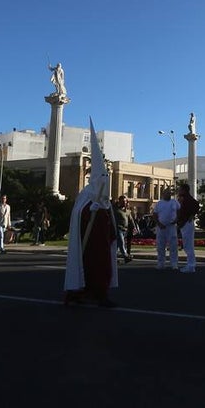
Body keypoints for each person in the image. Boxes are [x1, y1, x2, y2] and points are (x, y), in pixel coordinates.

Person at [65, 121, 119, 307]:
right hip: (87, 245)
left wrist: (113, 235)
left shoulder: (104, 197)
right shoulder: (86, 194)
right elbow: (78, 213)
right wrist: (90, 209)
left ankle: (101, 293)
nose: (105, 180)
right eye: (102, 177)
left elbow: (110, 218)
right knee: (87, 268)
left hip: (102, 244)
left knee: (103, 268)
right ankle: (79, 291)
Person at [176, 183, 201, 273]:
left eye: (180, 189)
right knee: (187, 245)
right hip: (184, 223)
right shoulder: (182, 199)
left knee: (188, 245)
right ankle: (190, 264)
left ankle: (191, 265)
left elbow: (196, 205)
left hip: (186, 223)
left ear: (184, 190)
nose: (178, 191)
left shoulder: (186, 199)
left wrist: (191, 215)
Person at [153, 188, 179, 270]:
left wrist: (176, 220)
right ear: (163, 194)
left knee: (173, 246)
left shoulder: (174, 202)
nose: (168, 194)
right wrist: (159, 224)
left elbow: (179, 211)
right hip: (161, 228)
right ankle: (161, 263)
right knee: (160, 246)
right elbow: (155, 215)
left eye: (169, 193)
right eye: (166, 193)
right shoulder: (159, 203)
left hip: (171, 227)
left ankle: (174, 264)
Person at [112, 195, 135, 263]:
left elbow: (131, 220)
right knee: (122, 244)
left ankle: (113, 259)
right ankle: (126, 256)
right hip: (118, 229)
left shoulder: (127, 211)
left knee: (117, 246)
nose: (124, 202)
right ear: (119, 201)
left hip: (125, 230)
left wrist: (134, 228)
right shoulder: (115, 209)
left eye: (125, 201)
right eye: (122, 201)